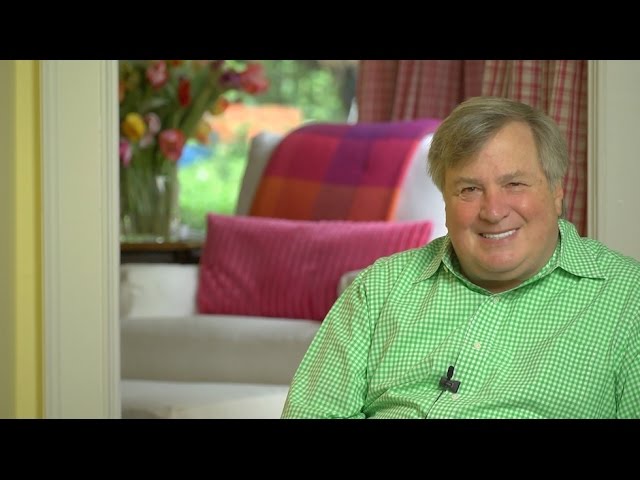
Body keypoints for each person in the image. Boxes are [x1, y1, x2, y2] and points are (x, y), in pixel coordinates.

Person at [281, 96, 640, 419]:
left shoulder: (628, 300)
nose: (493, 211)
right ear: (446, 201)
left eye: (514, 184)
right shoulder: (380, 288)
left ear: (557, 191)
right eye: (469, 189)